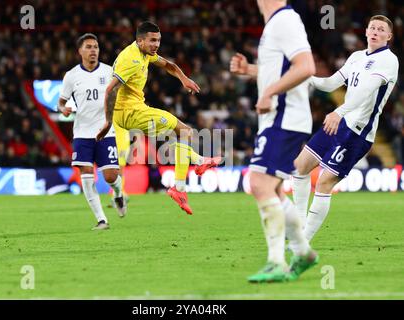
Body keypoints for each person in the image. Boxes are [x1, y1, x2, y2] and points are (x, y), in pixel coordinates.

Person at [230, 0, 318, 283]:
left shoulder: (285, 20)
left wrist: (268, 92)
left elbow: (306, 66)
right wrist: (251, 71)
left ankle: (277, 262)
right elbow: (282, 69)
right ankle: (303, 253)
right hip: (278, 119)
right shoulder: (276, 24)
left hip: (285, 118)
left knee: (259, 183)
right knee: (274, 191)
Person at [292, 15, 399, 244]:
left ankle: (302, 242)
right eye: (372, 27)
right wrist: (306, 78)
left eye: (381, 29)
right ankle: (299, 224)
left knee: (324, 182)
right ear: (366, 31)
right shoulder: (357, 57)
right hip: (340, 124)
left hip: (357, 132)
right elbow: (331, 83)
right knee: (300, 167)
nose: (375, 31)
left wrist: (337, 112)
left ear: (389, 36)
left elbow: (365, 93)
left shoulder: (389, 61)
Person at [96, 21, 222, 215]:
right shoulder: (131, 59)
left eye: (158, 40)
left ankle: (191, 171)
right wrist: (108, 121)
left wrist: (184, 79)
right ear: (140, 41)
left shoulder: (145, 53)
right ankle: (183, 183)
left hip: (135, 110)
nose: (156, 45)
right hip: (129, 114)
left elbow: (169, 65)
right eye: (152, 40)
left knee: (182, 133)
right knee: (185, 131)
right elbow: (110, 90)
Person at [58, 33, 127, 231]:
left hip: (106, 131)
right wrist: (63, 109)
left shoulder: (109, 72)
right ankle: (101, 220)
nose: (93, 50)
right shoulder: (71, 76)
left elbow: (119, 94)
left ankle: (118, 194)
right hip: (81, 134)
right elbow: (61, 102)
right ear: (80, 51)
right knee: (87, 176)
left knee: (111, 177)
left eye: (96, 47)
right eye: (88, 47)